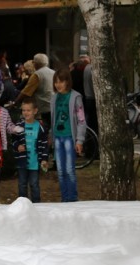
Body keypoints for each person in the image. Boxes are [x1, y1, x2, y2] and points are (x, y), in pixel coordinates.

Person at [50, 68, 86, 203]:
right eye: (56, 82)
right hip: (57, 138)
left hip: (69, 138)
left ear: (67, 82)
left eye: (61, 81)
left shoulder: (75, 97)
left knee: (70, 170)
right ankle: (64, 199)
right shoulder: (54, 99)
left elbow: (81, 120)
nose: (58, 85)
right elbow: (53, 119)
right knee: (60, 171)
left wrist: (80, 140)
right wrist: (51, 137)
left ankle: (72, 199)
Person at [11, 97, 49, 203]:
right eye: (24, 110)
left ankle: (37, 205)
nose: (26, 113)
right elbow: (13, 141)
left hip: (35, 163)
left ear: (35, 111)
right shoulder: (19, 126)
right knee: (22, 184)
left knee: (34, 184)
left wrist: (44, 159)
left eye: (28, 110)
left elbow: (44, 145)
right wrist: (17, 146)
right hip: (22, 162)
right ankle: (22, 205)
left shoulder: (40, 127)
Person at [14, 53, 55, 129]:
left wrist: (16, 102)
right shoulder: (53, 72)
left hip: (42, 109)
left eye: (33, 62)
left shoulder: (37, 75)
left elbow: (26, 92)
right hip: (53, 106)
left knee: (41, 130)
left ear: (36, 63)